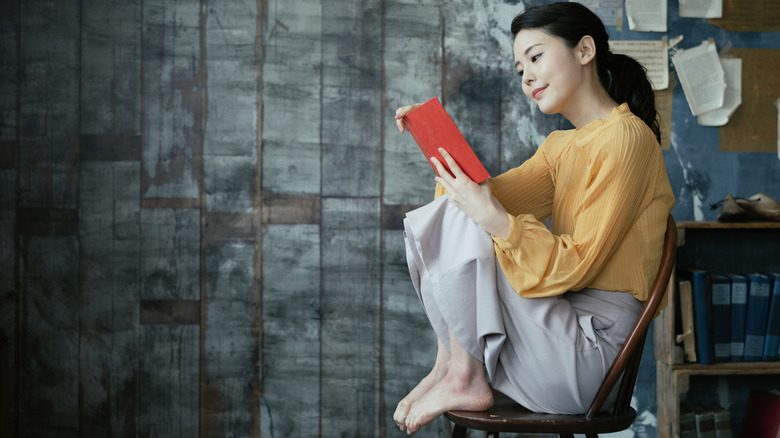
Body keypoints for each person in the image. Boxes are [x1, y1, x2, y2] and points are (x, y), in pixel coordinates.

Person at [392, 2, 675, 435]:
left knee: (474, 217)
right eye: (518, 66)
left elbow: (575, 264)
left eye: (536, 56)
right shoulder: (561, 147)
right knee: (455, 210)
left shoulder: (627, 139)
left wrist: (493, 218)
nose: (525, 74)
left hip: (586, 355)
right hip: (554, 331)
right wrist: (434, 135)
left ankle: (464, 374)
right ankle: (451, 363)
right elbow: (471, 201)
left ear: (584, 51)